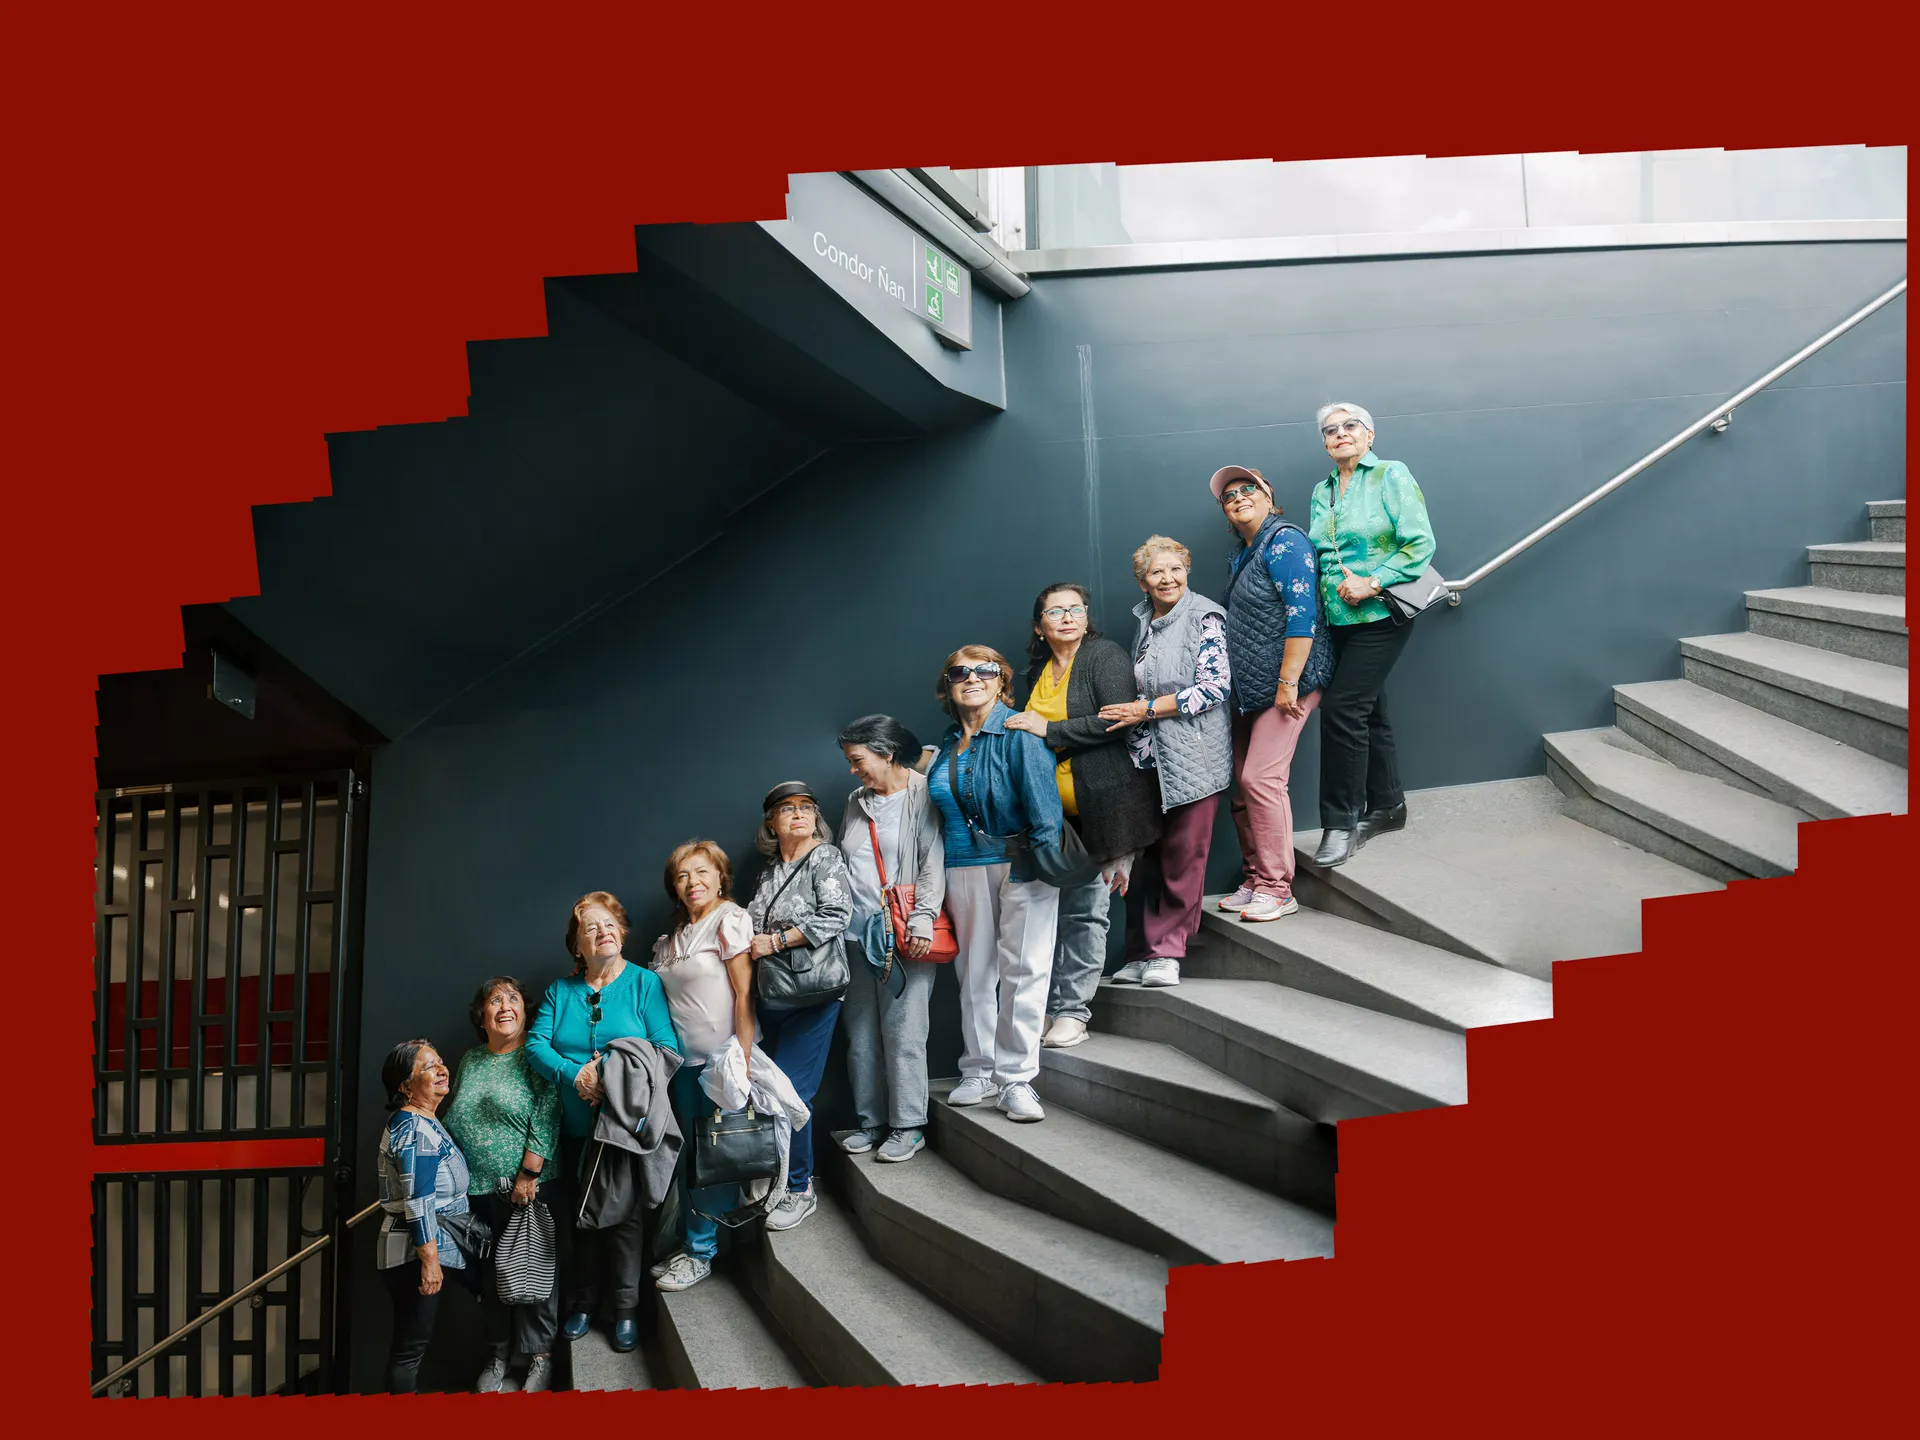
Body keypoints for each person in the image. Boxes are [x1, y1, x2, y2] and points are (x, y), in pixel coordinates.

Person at [1005, 583, 1162, 1047]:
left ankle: (1073, 1012)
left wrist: (1049, 729)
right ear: (1039, 626)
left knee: (1086, 914)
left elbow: (1118, 719)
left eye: (1076, 609)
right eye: (1056, 611)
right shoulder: (1037, 671)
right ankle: (1047, 1008)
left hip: (1104, 810)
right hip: (1050, 819)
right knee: (1045, 918)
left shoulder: (1103, 656)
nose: (1068, 617)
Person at [524, 891, 680, 1354]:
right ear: (577, 945)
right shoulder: (560, 991)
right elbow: (535, 1046)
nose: (602, 931)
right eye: (590, 927)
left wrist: (609, 1074)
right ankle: (585, 1303)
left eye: (609, 923)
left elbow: (667, 1050)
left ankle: (626, 1309)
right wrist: (576, 1075)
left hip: (622, 1129)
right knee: (581, 1218)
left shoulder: (644, 984)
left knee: (625, 1221)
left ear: (623, 933)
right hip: (573, 1128)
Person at [924, 644, 1065, 1123]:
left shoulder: (1018, 731)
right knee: (974, 974)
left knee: (1024, 971)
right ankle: (979, 1069)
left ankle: (1016, 1080)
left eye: (984, 671)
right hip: (961, 866)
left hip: (1021, 863)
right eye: (959, 672)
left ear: (1001, 680)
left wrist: (1043, 863)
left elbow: (1045, 806)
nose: (972, 678)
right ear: (948, 686)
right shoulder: (947, 744)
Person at [1305, 403, 1437, 867]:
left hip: (1381, 614)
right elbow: (1323, 553)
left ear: (1369, 435)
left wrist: (1374, 581)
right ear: (1325, 443)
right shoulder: (1322, 490)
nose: (1340, 433)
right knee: (1369, 713)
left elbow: (1420, 542)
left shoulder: (1390, 474)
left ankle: (1340, 823)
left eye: (1350, 426)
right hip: (1337, 621)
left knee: (1342, 710)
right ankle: (1388, 806)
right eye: (1330, 430)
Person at [1099, 537, 1234, 987]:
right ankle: (1140, 952)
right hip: (1147, 758)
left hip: (1195, 756)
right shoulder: (1146, 621)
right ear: (1143, 582)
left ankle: (1167, 952)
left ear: (1187, 571)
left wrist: (1147, 710)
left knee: (1182, 856)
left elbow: (1215, 687)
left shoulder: (1205, 616)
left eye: (1175, 568)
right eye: (1157, 572)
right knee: (1146, 857)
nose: (1168, 578)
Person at [1210, 463, 1334, 920]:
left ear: (1268, 496)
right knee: (1241, 788)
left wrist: (1288, 683)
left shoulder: (1285, 541)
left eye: (1248, 489)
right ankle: (1255, 877)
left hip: (1288, 684)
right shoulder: (1242, 553)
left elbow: (1302, 616)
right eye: (1228, 496)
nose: (1238, 497)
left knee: (1261, 780)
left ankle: (1278, 888)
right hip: (1251, 689)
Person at [443, 976, 563, 1393]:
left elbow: (548, 1111)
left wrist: (528, 1173)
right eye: (495, 1000)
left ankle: (540, 1358)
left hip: (526, 1188)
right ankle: (498, 1355)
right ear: (482, 1016)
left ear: (526, 1011)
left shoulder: (535, 1054)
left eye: (513, 999)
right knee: (492, 1280)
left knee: (534, 1274)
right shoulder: (471, 1059)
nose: (505, 1006)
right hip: (476, 1191)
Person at [835, 713, 946, 1163]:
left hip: (903, 933)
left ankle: (908, 1126)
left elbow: (932, 859)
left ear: (886, 752)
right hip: (855, 936)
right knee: (860, 1037)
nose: (852, 769)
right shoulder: (856, 800)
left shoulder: (923, 792)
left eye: (857, 759)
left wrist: (923, 919)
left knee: (904, 1034)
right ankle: (871, 1122)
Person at [647, 839, 757, 1292]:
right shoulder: (671, 940)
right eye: (682, 875)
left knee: (715, 1157)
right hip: (682, 1066)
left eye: (702, 871)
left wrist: (742, 1059)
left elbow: (745, 993)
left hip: (721, 1060)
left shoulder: (729, 920)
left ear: (720, 877)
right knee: (691, 1157)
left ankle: (700, 1253)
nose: (693, 882)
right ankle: (696, 1243)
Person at [744, 783, 852, 1231]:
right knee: (770, 1091)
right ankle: (777, 1179)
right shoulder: (770, 870)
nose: (799, 814)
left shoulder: (825, 857)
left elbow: (837, 914)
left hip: (815, 993)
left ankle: (800, 1188)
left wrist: (775, 941)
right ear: (771, 822)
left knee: (791, 1091)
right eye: (787, 808)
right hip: (775, 993)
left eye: (807, 807)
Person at [374, 1038, 479, 1395]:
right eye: (428, 1067)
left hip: (430, 1248)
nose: (441, 1070)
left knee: (413, 1347)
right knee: (410, 1352)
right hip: (412, 1256)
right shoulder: (415, 1129)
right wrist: (430, 1262)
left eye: (440, 1062)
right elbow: (419, 1202)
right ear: (406, 1087)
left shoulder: (424, 1120)